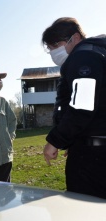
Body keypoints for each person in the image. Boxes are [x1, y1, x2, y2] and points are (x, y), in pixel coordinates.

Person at [42, 17, 106, 199]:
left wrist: (55, 141)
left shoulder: (84, 56)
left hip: (93, 157)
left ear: (75, 37)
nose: (53, 51)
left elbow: (82, 107)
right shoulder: (99, 53)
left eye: (56, 44)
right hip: (94, 146)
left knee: (83, 206)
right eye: (50, 47)